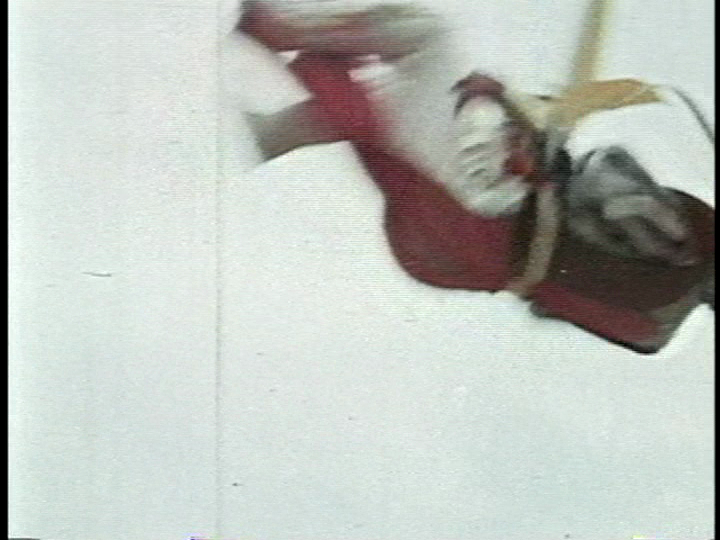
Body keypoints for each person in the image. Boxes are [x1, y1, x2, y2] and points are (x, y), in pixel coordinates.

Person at [233, 0, 714, 353]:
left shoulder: (687, 241)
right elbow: (551, 303)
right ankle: (262, 136)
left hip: (480, 211)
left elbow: (607, 194)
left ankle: (275, 30)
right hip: (457, 262)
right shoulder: (653, 330)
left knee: (428, 39)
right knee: (399, 120)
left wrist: (531, 137)